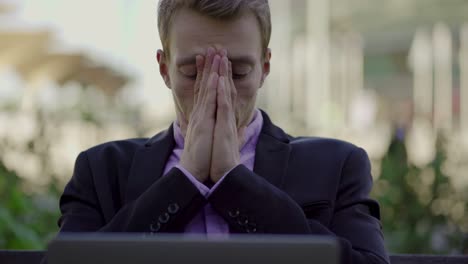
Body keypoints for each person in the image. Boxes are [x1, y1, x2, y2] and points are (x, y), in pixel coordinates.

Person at [57, 0, 389, 263]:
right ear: (164, 69)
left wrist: (236, 182)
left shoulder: (337, 164)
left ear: (265, 68)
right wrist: (184, 180)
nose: (216, 88)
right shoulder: (101, 169)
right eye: (191, 73)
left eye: (239, 72)